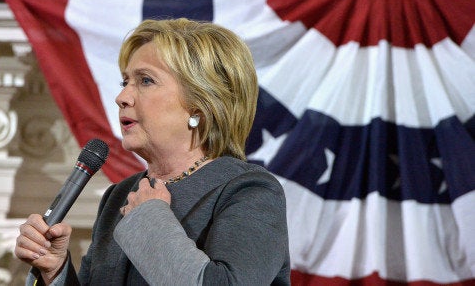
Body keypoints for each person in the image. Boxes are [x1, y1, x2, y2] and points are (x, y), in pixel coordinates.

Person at [15, 18, 290, 285]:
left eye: (145, 81)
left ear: (200, 105)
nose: (122, 97)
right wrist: (57, 271)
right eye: (125, 82)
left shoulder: (249, 191)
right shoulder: (118, 197)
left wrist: (150, 219)